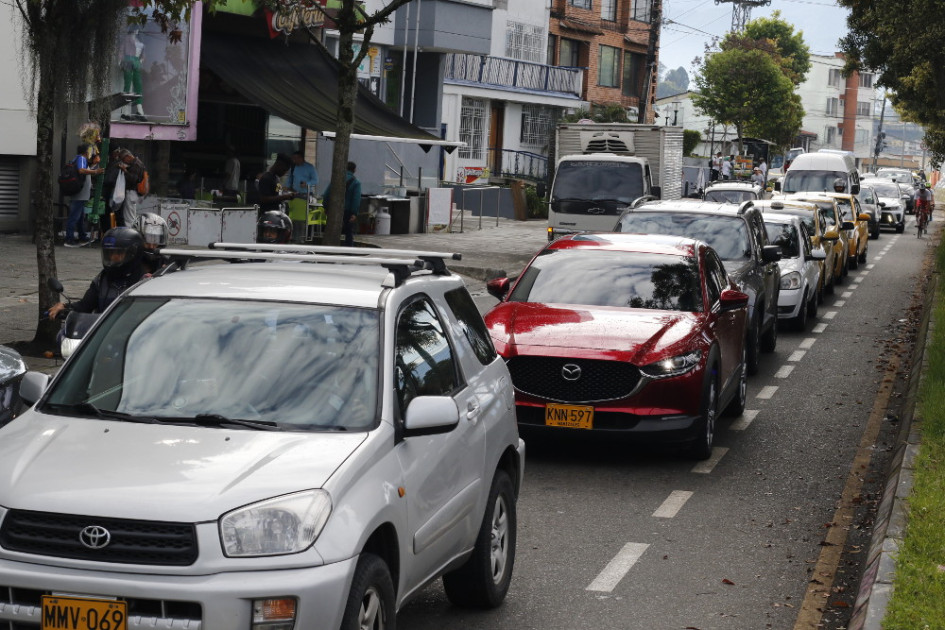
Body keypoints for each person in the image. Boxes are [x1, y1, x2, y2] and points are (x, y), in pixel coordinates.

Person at [48, 227, 147, 319]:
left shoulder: (145, 281)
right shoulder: (102, 280)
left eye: (118, 253)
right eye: (109, 254)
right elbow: (85, 305)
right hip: (104, 334)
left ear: (133, 254)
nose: (113, 258)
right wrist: (65, 307)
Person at [65, 144, 104, 247]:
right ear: (86, 152)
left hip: (81, 194)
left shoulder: (79, 158)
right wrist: (96, 171)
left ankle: (82, 236)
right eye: (90, 150)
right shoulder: (82, 158)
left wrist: (92, 166)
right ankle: (69, 239)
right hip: (80, 194)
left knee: (80, 217)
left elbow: (84, 170)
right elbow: (81, 170)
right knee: (74, 217)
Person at [322, 161, 362, 247]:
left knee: (333, 230)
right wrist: (354, 213)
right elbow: (356, 199)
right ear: (354, 170)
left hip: (334, 210)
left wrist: (326, 207)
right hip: (347, 211)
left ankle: (330, 248)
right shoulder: (356, 183)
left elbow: (326, 194)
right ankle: (348, 252)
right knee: (348, 232)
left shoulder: (336, 179)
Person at [116, 148, 147, 227]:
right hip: (133, 192)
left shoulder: (136, 164)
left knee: (129, 216)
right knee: (130, 214)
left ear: (128, 156)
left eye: (124, 159)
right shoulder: (137, 163)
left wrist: (125, 170)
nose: (124, 161)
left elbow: (133, 179)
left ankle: (130, 233)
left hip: (132, 192)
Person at [121, 28, 146, 122]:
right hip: (128, 61)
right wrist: (120, 61)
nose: (136, 31)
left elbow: (143, 54)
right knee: (127, 85)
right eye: (135, 29)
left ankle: (140, 111)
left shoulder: (141, 41)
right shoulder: (126, 40)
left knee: (138, 85)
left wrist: (141, 61)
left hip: (136, 62)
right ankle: (125, 112)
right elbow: (121, 50)